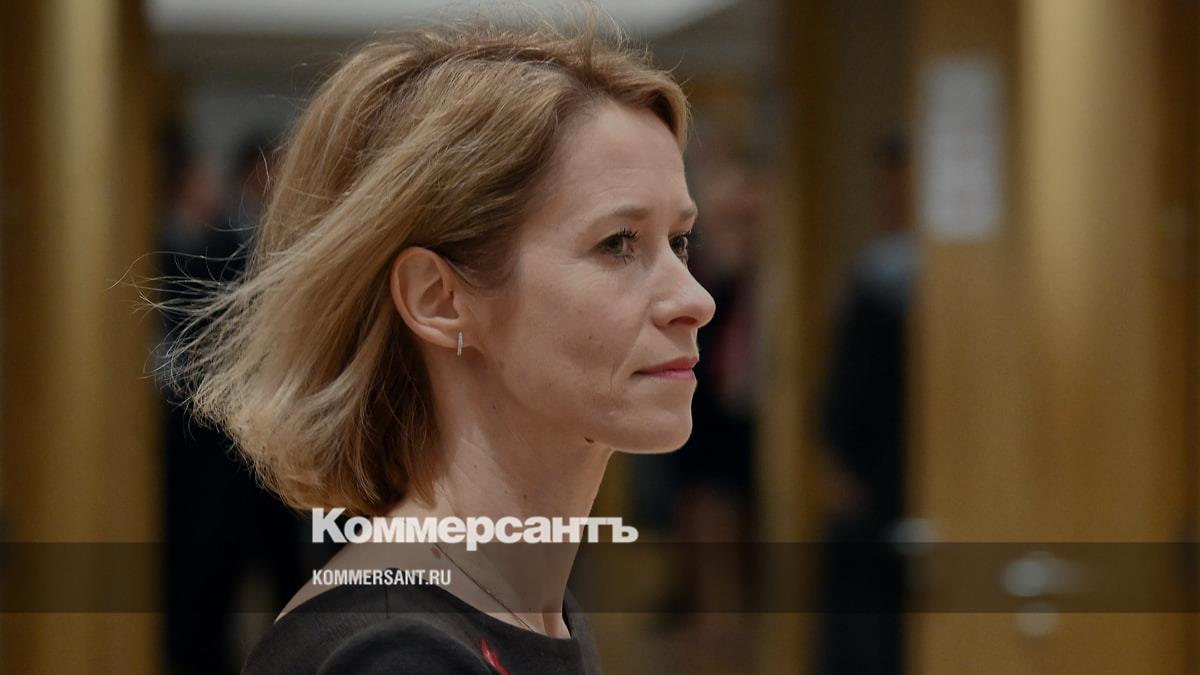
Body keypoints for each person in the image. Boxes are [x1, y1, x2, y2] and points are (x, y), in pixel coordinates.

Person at [159, 10, 715, 674]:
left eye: (679, 241)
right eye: (617, 243)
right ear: (438, 300)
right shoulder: (396, 654)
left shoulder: (526, 606)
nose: (695, 300)